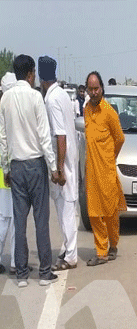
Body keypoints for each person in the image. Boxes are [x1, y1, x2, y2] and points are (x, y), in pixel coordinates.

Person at [0, 54, 60, 287]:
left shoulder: (5, 99)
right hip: (36, 165)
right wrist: (53, 167)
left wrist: (6, 167)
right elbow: (44, 136)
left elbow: (3, 138)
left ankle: (22, 274)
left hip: (16, 166)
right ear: (30, 73)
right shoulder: (36, 97)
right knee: (41, 220)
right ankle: (44, 273)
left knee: (20, 222)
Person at [39, 56, 79, 271]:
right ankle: (67, 248)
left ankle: (71, 255)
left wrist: (59, 169)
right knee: (67, 208)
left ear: (40, 78)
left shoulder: (52, 99)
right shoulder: (62, 94)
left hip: (63, 162)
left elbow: (60, 135)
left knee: (65, 210)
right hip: (69, 158)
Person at [83, 71, 125, 266]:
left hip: (107, 170)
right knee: (93, 213)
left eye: (96, 88)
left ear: (102, 88)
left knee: (110, 212)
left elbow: (120, 139)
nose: (93, 92)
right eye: (90, 89)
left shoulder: (109, 112)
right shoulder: (86, 110)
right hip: (91, 171)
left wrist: (109, 158)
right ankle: (101, 252)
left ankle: (113, 245)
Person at [0, 72, 16, 275]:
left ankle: (14, 260)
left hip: (5, 172)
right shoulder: (8, 110)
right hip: (8, 172)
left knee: (7, 218)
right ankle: (14, 262)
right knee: (10, 219)